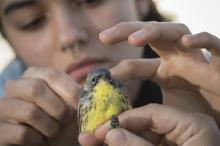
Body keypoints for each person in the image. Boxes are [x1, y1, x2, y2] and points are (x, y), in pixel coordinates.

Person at [0, 0, 219, 145]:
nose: (69, 36)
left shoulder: (211, 85)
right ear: (9, 41)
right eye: (31, 21)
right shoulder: (10, 133)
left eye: (91, 0)